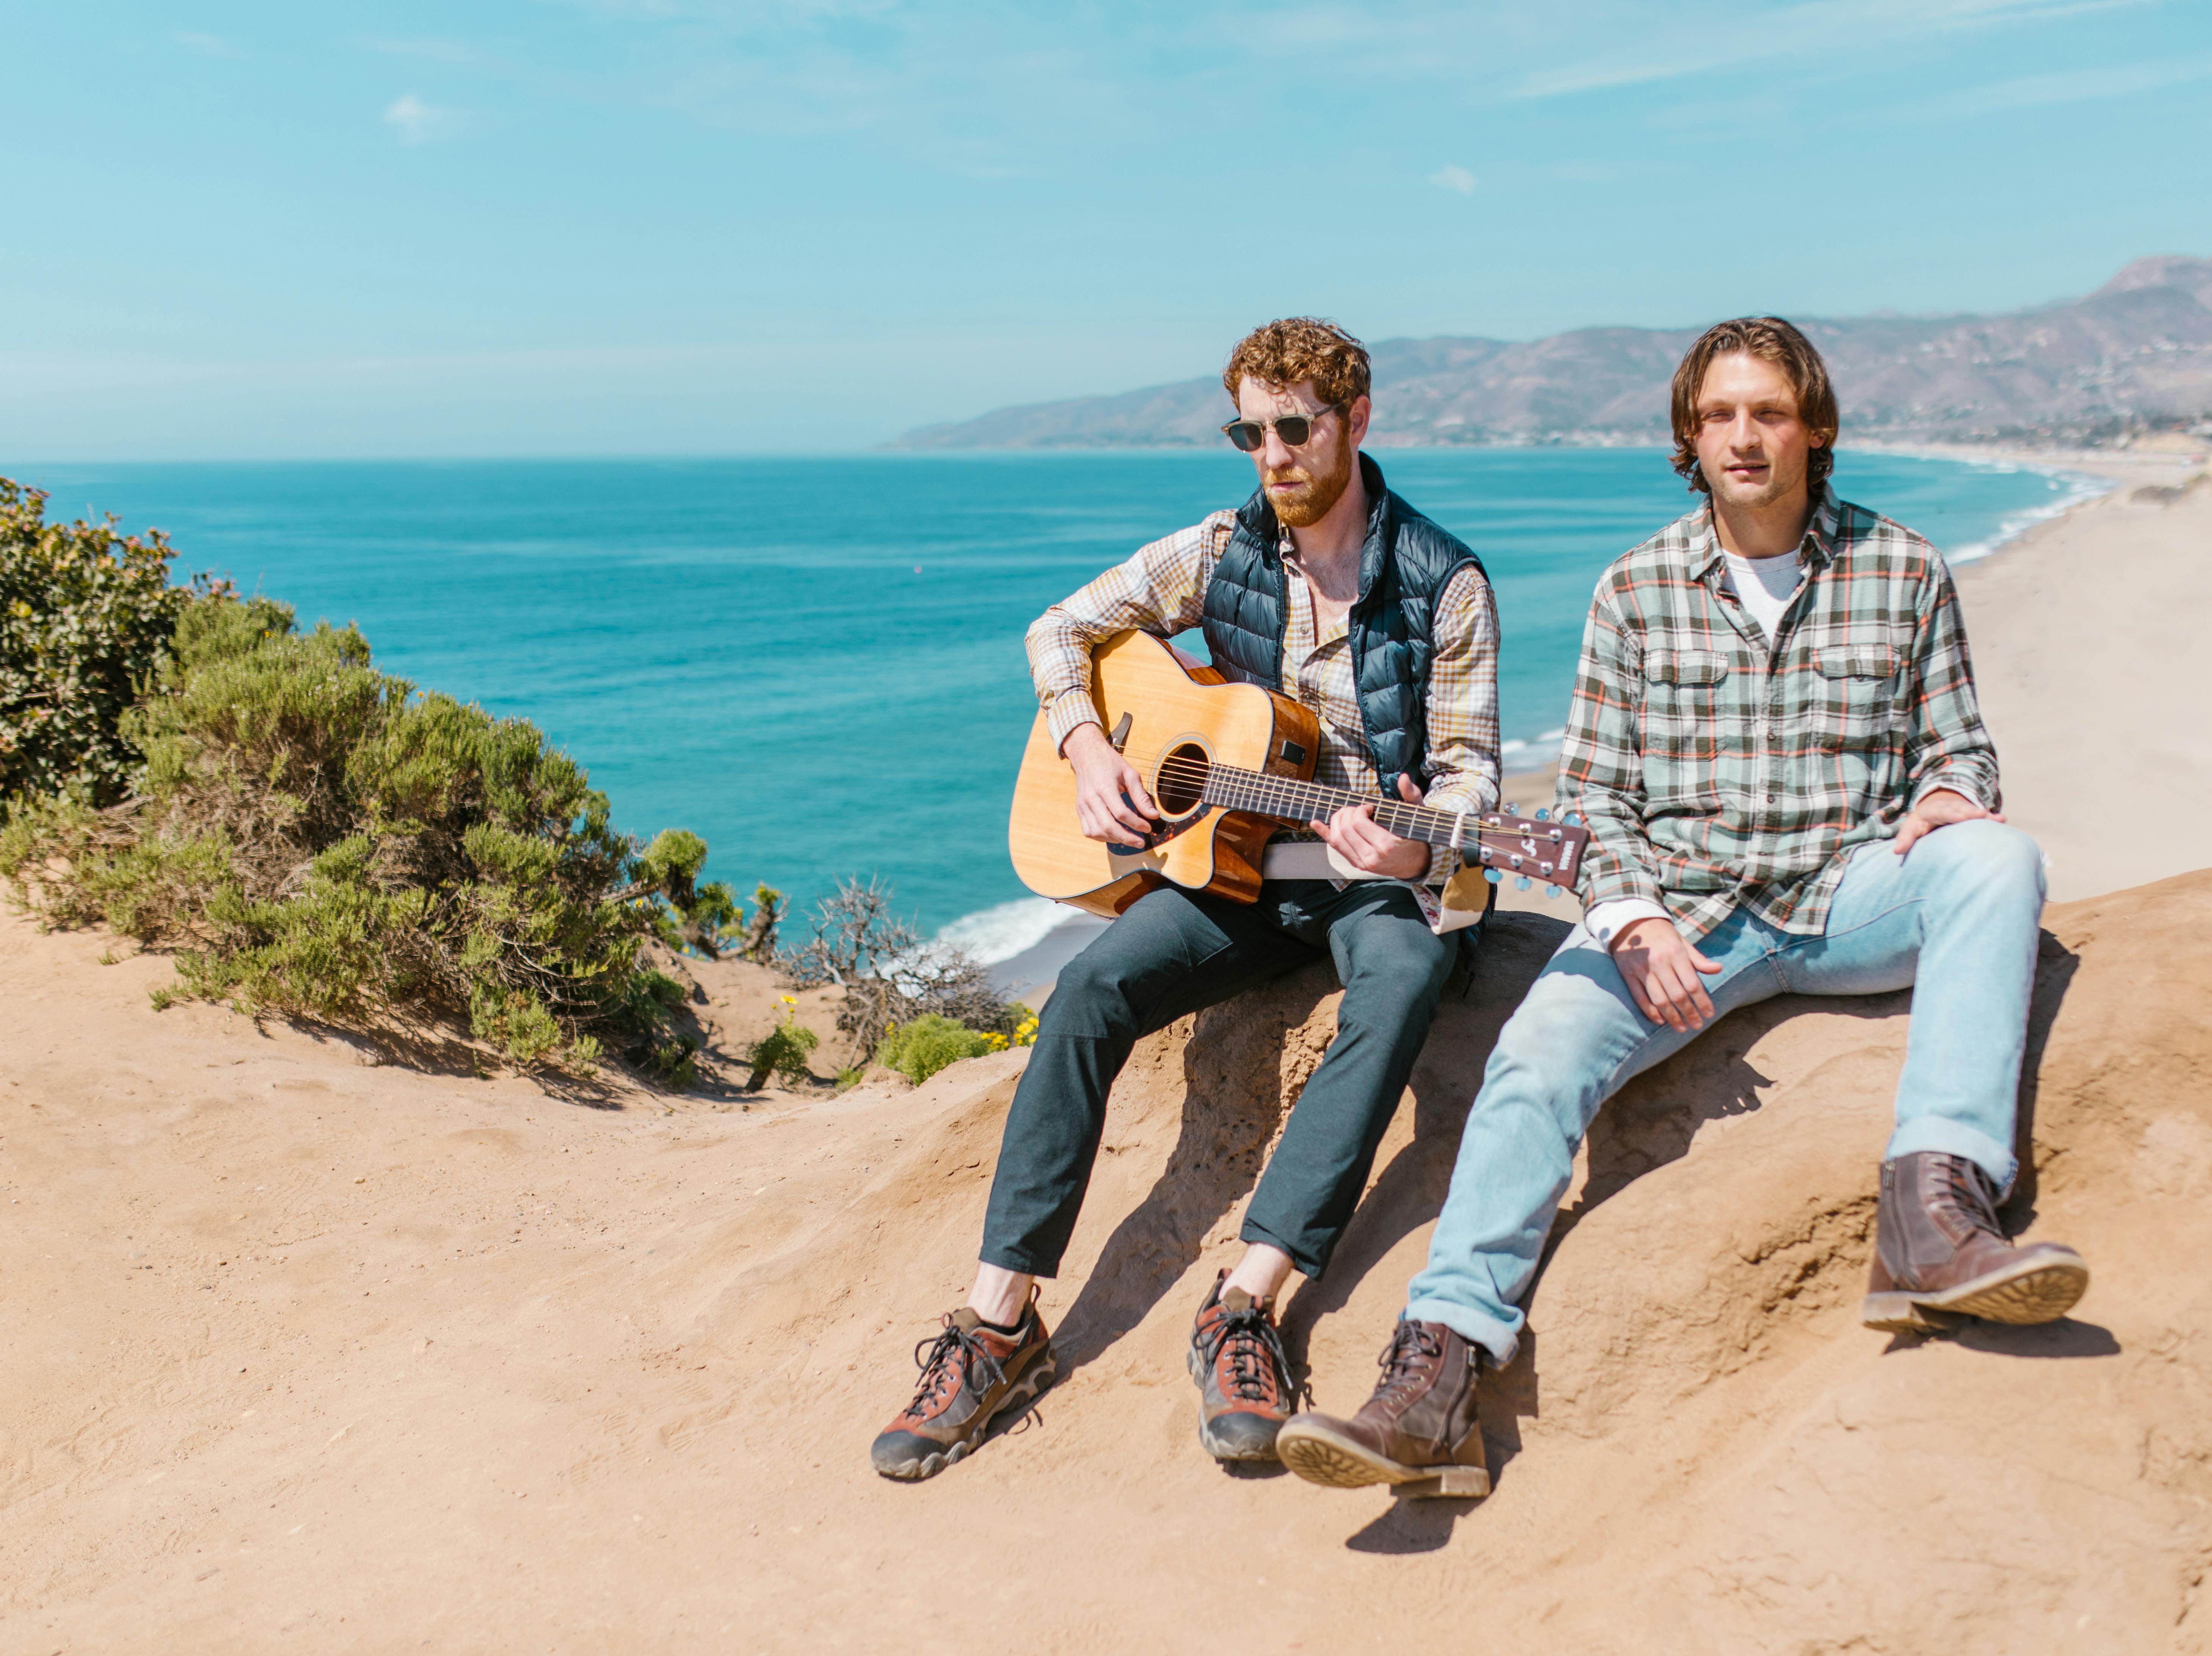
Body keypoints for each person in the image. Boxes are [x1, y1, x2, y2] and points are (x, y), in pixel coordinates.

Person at [1276, 316, 2089, 1497]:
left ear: (1815, 429)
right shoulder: (1636, 589)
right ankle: (1437, 1377)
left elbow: (1961, 747)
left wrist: (1955, 794)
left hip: (1848, 892)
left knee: (1999, 860)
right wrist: (1636, 920)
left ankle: (1934, 1209)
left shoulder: (1904, 567)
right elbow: (1595, 796)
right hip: (1685, 914)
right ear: (1688, 437)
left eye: (1768, 413)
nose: (1743, 437)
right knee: (1534, 1055)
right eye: (1719, 416)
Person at [871, 317, 1502, 1481]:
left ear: (1357, 423)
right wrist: (1085, 749)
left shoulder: (1443, 582)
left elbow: (1470, 782)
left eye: (1294, 428)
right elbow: (1059, 628)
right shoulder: (1220, 547)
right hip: (1238, 868)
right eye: (1249, 431)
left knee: (1407, 973)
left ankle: (1245, 1304)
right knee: (1083, 990)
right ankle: (998, 1323)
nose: (1270, 454)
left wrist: (1413, 853)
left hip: (1370, 877)